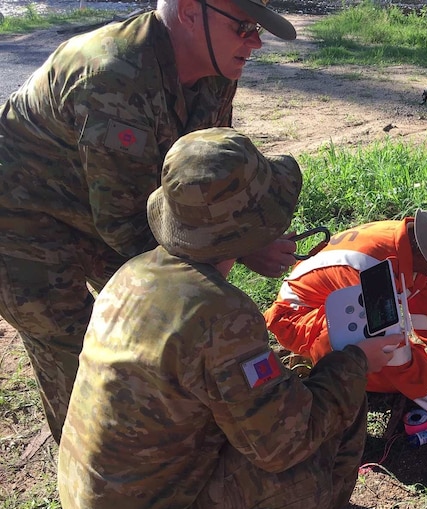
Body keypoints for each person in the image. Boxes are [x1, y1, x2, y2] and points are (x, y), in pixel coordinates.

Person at [58, 127, 402, 509]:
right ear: (249, 228)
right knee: (329, 429)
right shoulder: (222, 314)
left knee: (296, 382)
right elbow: (284, 445)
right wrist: (357, 361)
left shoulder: (134, 273)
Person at [0, 0, 299, 443]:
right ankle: (97, 492)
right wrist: (239, 247)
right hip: (21, 219)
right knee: (80, 361)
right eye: (243, 26)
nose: (255, 42)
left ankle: (176, 441)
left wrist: (241, 236)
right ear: (190, 11)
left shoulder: (216, 67)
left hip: (103, 203)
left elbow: (202, 185)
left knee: (161, 320)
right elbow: (130, 230)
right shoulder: (114, 77)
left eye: (257, 27)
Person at [264, 205, 427, 420]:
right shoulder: (373, 275)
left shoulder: (416, 252)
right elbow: (398, 365)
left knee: (420, 372)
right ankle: (324, 379)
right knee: (394, 365)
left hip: (336, 304)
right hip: (297, 318)